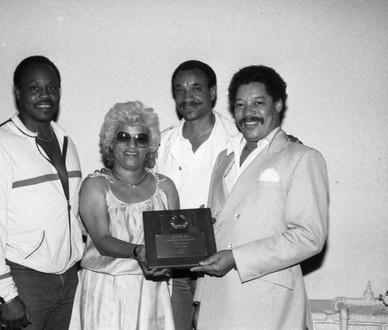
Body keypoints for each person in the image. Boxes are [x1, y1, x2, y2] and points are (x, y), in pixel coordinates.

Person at [191, 65, 329, 329]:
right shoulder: (224, 159)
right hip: (218, 300)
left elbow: (309, 237)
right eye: (240, 105)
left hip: (268, 303)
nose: (248, 113)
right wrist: (200, 300)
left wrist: (237, 258)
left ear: (277, 105)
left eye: (258, 103)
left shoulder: (302, 157)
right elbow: (214, 232)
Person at [0, 55, 85, 330]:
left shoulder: (66, 140)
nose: (45, 95)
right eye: (35, 88)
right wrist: (3, 295)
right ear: (18, 92)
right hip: (25, 282)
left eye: (52, 87)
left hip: (68, 280)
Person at [69, 101, 179, 330]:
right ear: (111, 143)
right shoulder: (95, 185)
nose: (132, 145)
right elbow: (101, 240)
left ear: (150, 145)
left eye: (141, 138)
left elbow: (174, 244)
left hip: (151, 292)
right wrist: (138, 250)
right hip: (106, 291)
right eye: (123, 137)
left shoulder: (166, 187)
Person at [155, 60, 239, 330]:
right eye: (180, 90)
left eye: (196, 88)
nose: (187, 98)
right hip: (174, 266)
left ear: (213, 92)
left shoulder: (238, 141)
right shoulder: (161, 143)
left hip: (218, 264)